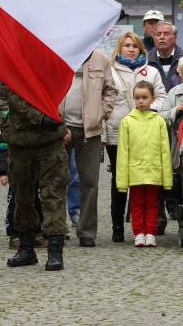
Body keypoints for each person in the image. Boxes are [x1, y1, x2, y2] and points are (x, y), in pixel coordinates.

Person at [0, 82, 70, 271]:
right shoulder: (12, 69)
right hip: (20, 140)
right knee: (22, 196)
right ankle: (26, 247)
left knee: (53, 194)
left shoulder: (50, 64)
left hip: (50, 140)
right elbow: (4, 97)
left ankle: (55, 251)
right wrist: (8, 119)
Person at [103, 31, 166, 243]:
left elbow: (162, 97)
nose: (131, 49)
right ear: (119, 48)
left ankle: (149, 226)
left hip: (147, 133)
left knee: (147, 181)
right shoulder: (110, 71)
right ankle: (118, 226)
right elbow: (105, 98)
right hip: (118, 130)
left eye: (135, 46)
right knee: (119, 179)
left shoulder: (151, 72)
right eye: (126, 45)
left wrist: (149, 110)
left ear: (141, 49)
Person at [59, 49, 114, 247]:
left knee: (89, 182)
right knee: (57, 181)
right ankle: (58, 230)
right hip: (60, 128)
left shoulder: (100, 58)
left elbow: (110, 90)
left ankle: (87, 232)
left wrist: (101, 114)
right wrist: (56, 124)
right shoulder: (59, 52)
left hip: (90, 130)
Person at [116, 81, 173, 248]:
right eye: (137, 98)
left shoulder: (159, 121)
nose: (141, 101)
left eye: (144, 97)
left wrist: (166, 177)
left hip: (154, 170)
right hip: (135, 171)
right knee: (137, 202)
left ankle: (151, 232)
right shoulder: (127, 121)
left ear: (153, 99)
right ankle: (139, 232)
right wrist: (122, 180)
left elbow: (164, 150)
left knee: (153, 203)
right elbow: (123, 152)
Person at [147, 21, 183, 89]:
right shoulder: (145, 60)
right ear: (154, 38)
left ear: (175, 38)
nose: (162, 37)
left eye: (166, 34)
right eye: (158, 34)